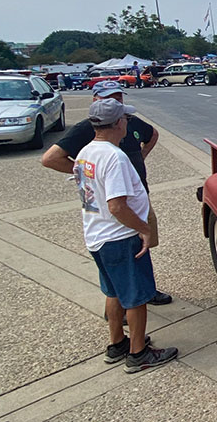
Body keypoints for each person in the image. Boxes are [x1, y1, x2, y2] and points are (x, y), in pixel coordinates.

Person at [72, 96, 178, 372]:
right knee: (137, 296)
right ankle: (138, 352)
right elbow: (117, 205)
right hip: (119, 236)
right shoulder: (114, 157)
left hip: (97, 234)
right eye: (125, 118)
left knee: (114, 292)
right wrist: (142, 228)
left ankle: (117, 342)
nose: (127, 122)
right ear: (119, 123)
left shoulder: (85, 152)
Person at [42, 82, 172, 305]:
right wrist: (85, 173)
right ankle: (127, 302)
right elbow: (50, 158)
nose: (115, 102)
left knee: (142, 248)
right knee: (124, 250)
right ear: (95, 100)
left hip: (136, 196)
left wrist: (140, 158)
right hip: (114, 204)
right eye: (108, 97)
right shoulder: (89, 128)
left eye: (118, 97)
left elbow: (152, 134)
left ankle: (144, 290)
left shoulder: (128, 120)